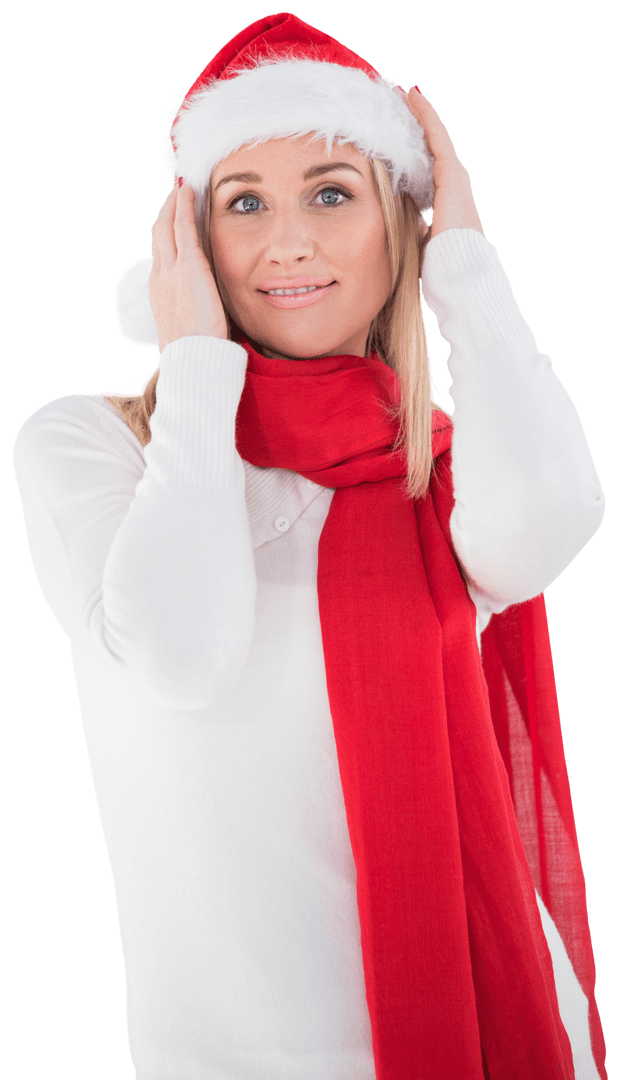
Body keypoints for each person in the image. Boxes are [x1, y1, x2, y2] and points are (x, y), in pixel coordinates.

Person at [11, 11, 607, 1080]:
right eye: (242, 204)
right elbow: (180, 655)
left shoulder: (443, 466)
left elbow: (545, 532)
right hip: (234, 1055)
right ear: (190, 239)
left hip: (485, 1020)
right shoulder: (97, 445)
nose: (286, 241)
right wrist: (195, 362)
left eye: (331, 193)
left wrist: (461, 259)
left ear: (399, 224)